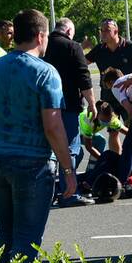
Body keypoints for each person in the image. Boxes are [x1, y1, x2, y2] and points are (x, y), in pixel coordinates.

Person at [0, 9, 76, 263]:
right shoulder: (46, 72)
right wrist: (68, 169)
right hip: (33, 163)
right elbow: (53, 126)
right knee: (27, 239)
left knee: (3, 235)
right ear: (41, 36)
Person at [43, 18, 96, 206]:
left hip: (44, 106)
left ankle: (48, 192)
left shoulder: (43, 45)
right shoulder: (73, 47)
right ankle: (69, 193)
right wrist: (92, 103)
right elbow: (84, 78)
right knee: (70, 149)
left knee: (49, 150)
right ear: (69, 31)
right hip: (68, 105)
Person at [84, 18, 132, 116]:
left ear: (116, 31)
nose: (103, 33)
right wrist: (82, 48)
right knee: (112, 127)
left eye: (107, 30)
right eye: (101, 30)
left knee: (131, 124)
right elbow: (81, 63)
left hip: (128, 94)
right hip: (107, 95)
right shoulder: (99, 49)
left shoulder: (129, 46)